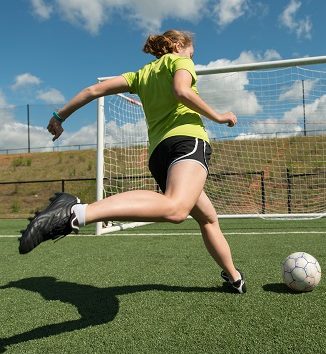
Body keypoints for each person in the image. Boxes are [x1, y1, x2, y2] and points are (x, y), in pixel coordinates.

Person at [19, 30, 246, 294]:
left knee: (207, 218)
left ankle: (234, 277)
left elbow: (94, 89)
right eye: (191, 52)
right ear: (177, 45)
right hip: (187, 142)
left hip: (160, 155)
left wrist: (60, 116)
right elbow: (181, 91)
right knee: (176, 209)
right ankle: (74, 212)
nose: (191, 57)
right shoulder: (180, 61)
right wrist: (218, 116)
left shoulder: (141, 75)